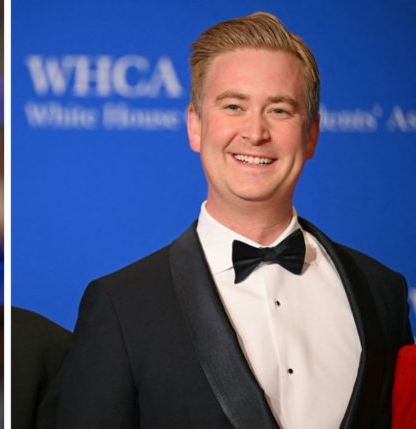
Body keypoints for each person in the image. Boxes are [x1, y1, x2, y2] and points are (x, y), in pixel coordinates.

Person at [56, 12, 412, 429]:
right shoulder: (120, 307)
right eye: (233, 106)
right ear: (195, 125)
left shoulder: (382, 292)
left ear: (311, 134)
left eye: (279, 110)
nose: (255, 132)